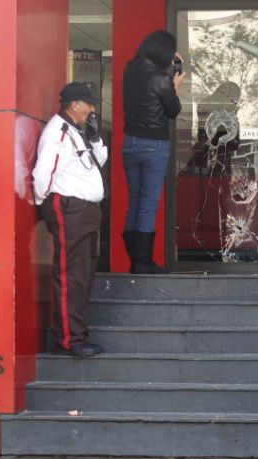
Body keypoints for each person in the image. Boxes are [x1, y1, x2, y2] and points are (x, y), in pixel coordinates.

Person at [32, 82, 108, 358]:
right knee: (71, 274)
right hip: (70, 208)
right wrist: (47, 204)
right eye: (88, 103)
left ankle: (76, 334)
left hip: (85, 211)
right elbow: (43, 174)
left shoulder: (75, 130)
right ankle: (68, 339)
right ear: (74, 104)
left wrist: (96, 137)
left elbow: (97, 161)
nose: (91, 108)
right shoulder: (58, 132)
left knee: (83, 275)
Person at [121, 30, 186, 273]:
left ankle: (134, 259)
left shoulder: (129, 70)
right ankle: (142, 262)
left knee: (135, 202)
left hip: (130, 145)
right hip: (154, 146)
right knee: (148, 204)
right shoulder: (161, 79)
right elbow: (172, 110)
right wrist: (175, 85)